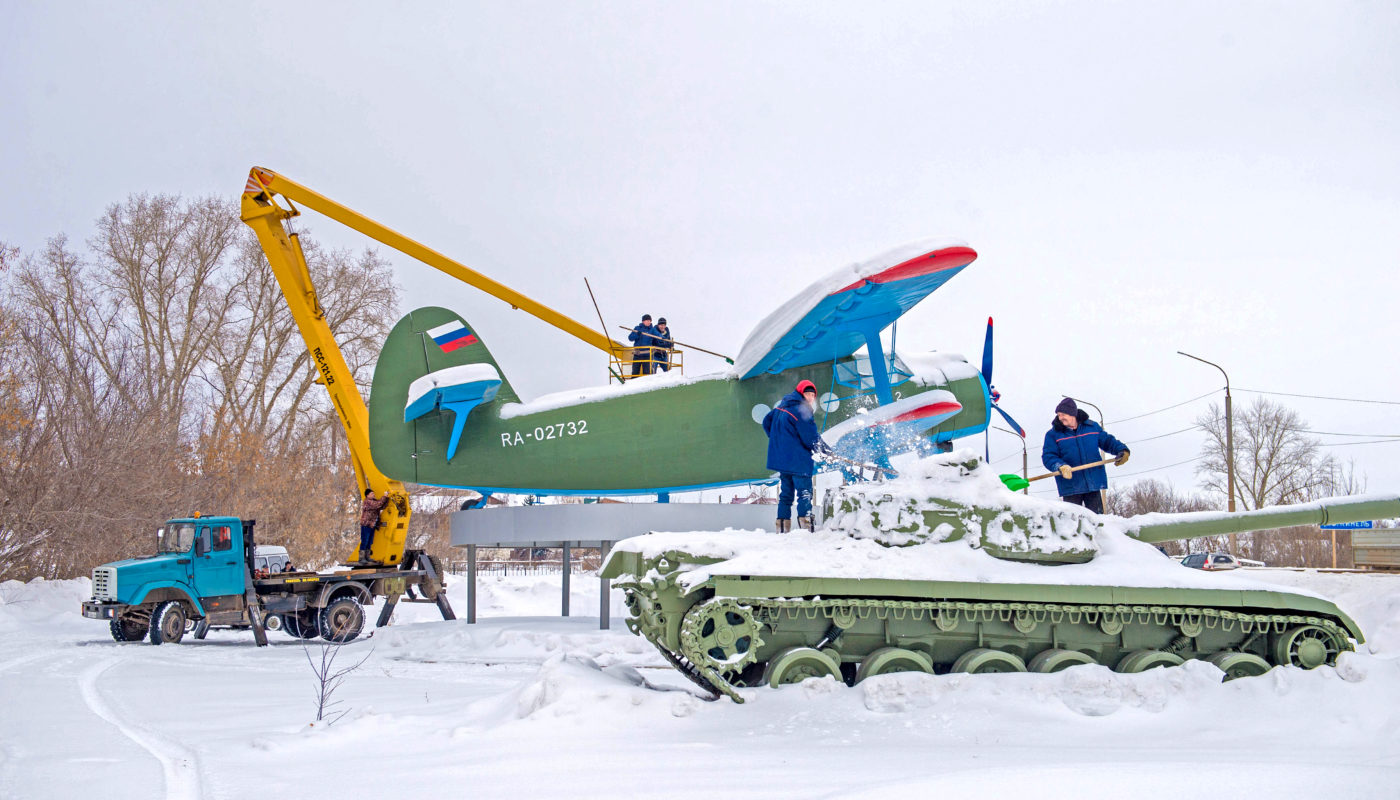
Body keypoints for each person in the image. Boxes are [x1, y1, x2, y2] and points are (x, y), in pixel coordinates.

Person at [762, 380, 831, 532]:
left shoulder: (782, 406)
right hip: (798, 460)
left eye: (813, 395)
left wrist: (778, 440)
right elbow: (810, 437)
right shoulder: (801, 409)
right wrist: (826, 452)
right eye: (808, 394)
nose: (811, 397)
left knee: (786, 494)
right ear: (801, 393)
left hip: (782, 460)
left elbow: (766, 422)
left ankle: (782, 529)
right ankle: (806, 530)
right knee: (804, 493)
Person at [1041, 398, 1129, 514]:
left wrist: (1122, 450)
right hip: (1071, 484)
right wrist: (1060, 466)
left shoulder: (1092, 427)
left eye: (1063, 414)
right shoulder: (1053, 434)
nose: (1060, 417)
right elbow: (1048, 456)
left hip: (1093, 482)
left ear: (1073, 413)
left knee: (1098, 521)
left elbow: (1107, 441)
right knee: (1072, 522)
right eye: (1058, 415)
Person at [358, 488, 390, 563]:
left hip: (372, 524)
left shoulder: (374, 501)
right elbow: (378, 504)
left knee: (369, 541)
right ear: (367, 495)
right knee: (365, 540)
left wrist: (387, 498)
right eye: (372, 493)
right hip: (366, 524)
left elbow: (381, 506)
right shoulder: (367, 502)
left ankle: (367, 557)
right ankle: (361, 558)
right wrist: (384, 496)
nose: (374, 494)